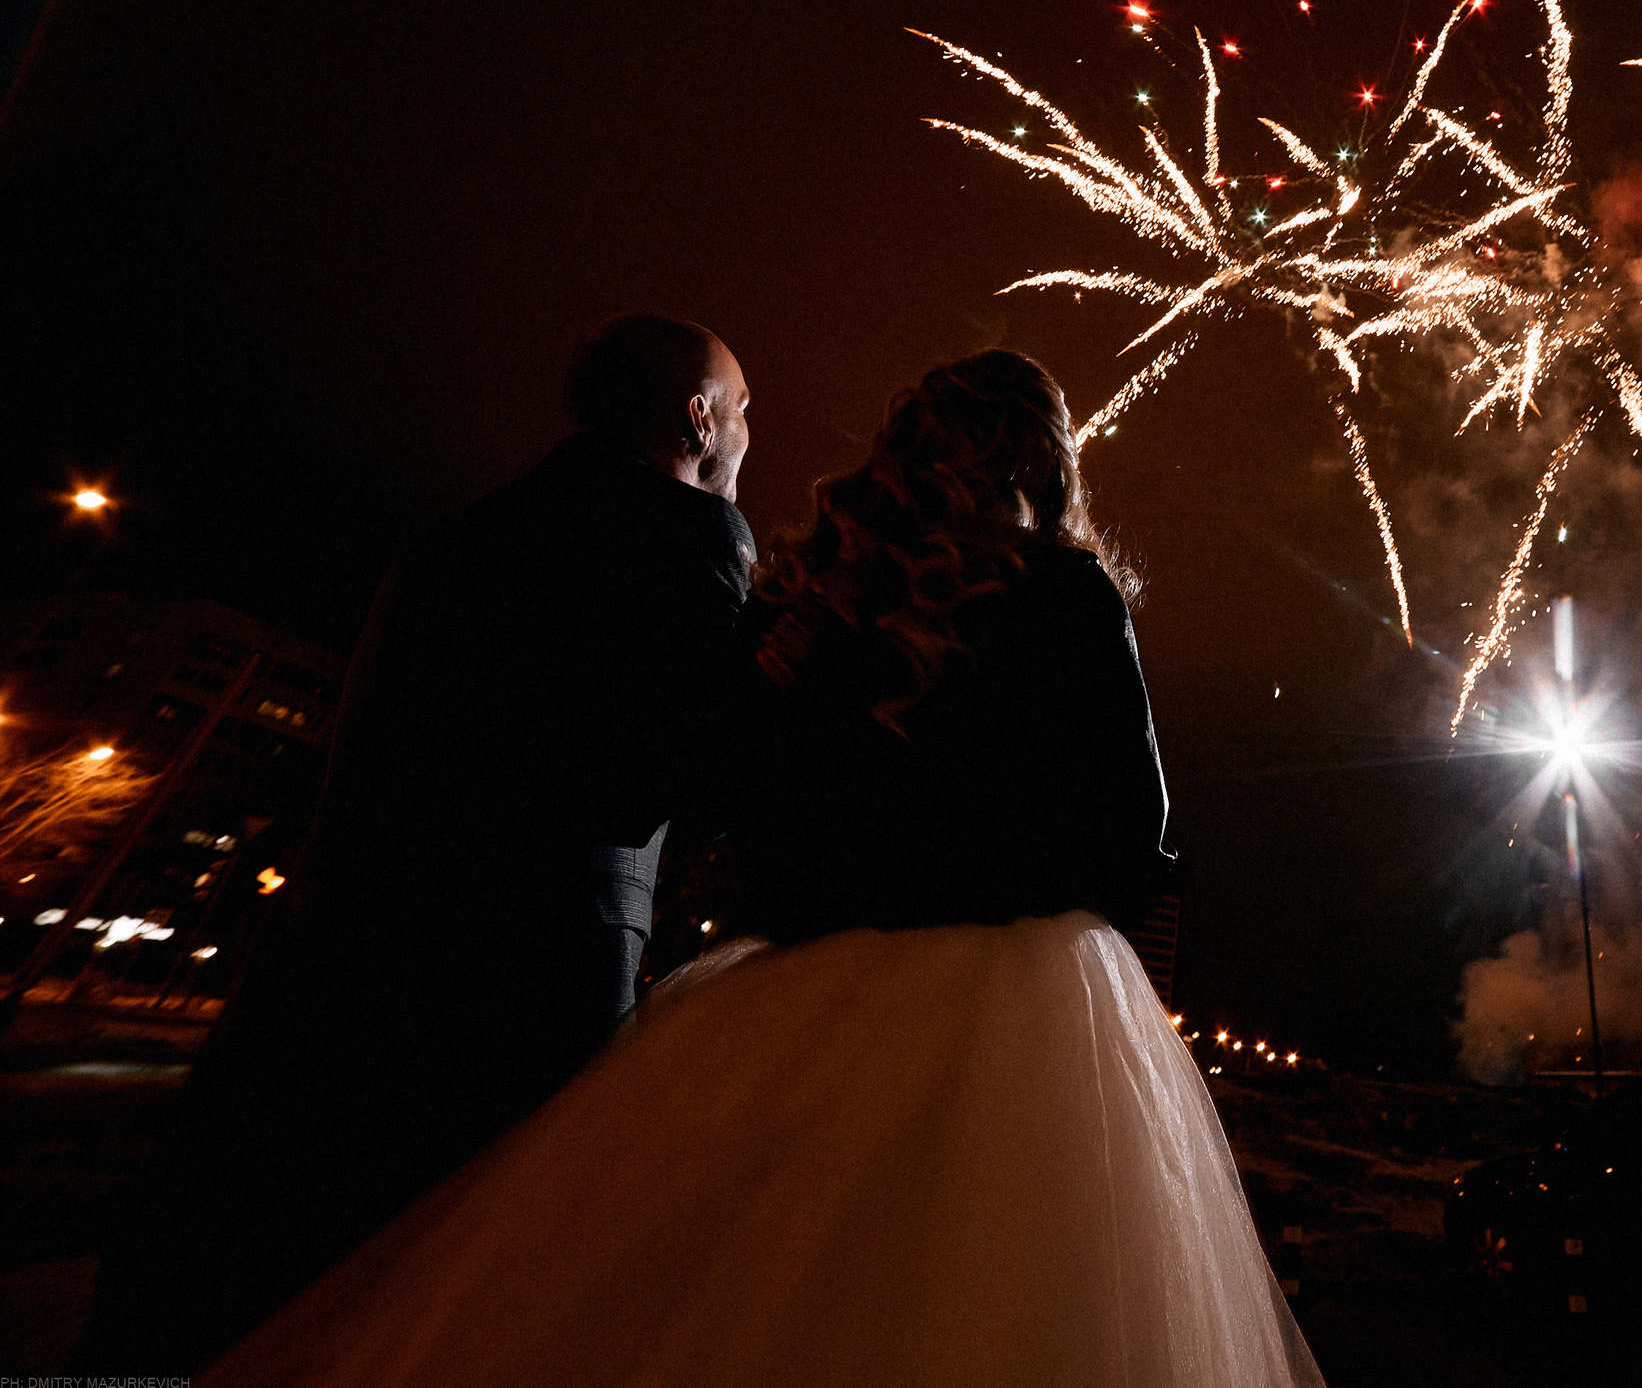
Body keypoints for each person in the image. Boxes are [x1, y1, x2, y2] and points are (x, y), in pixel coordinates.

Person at [198, 350, 1324, 1388]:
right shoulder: (1067, 592)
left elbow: (728, 789)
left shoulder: (807, 592)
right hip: (997, 991)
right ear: (1043, 457)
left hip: (789, 985)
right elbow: (1130, 825)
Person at [84, 315, 759, 1371]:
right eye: (746, 409)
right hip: (521, 989)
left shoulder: (457, 536)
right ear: (699, 417)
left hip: (328, 963)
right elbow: (702, 769)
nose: (747, 435)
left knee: (241, 1284)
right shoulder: (688, 532)